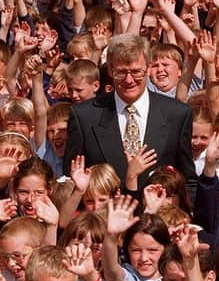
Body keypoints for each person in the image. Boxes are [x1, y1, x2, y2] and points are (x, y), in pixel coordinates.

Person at [64, 34, 197, 197]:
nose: (129, 80)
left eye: (136, 72)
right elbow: (71, 179)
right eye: (121, 72)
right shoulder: (84, 116)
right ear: (110, 71)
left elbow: (188, 182)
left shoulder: (177, 114)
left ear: (148, 69)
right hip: (105, 217)